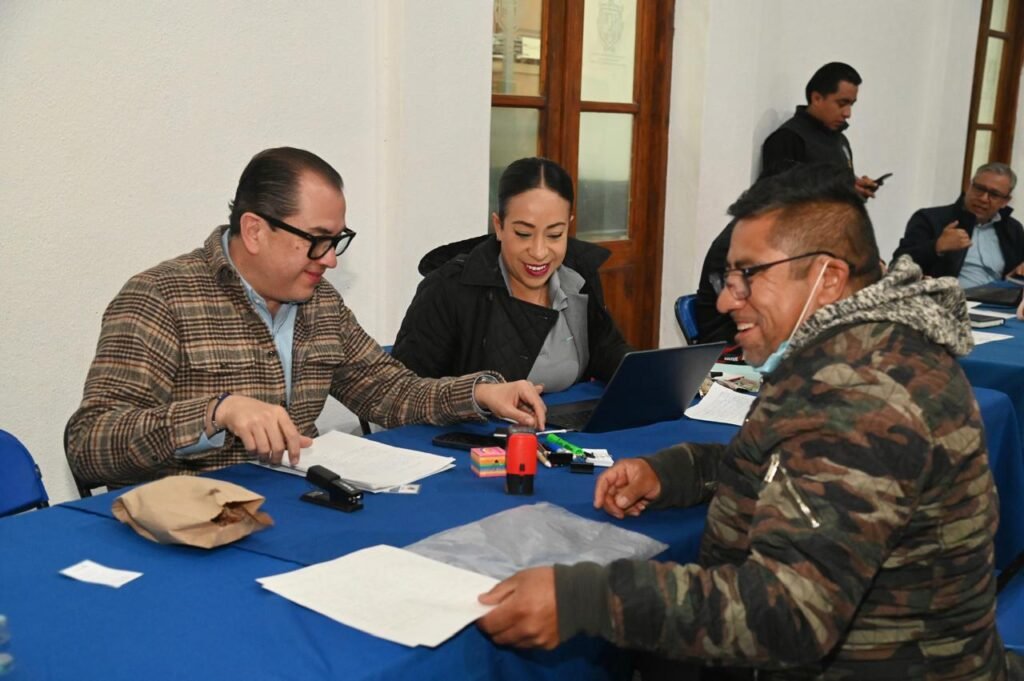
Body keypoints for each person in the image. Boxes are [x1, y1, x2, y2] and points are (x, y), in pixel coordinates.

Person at [477, 163, 1017, 679]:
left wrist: (587, 598)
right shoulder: (851, 352)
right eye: (727, 274)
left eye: (748, 275)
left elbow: (789, 613)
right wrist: (680, 471)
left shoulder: (862, 392)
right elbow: (790, 465)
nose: (726, 297)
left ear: (826, 278)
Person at [66, 147, 546, 488]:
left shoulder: (321, 303)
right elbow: (90, 445)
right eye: (316, 239)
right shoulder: (161, 298)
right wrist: (216, 412)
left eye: (336, 240)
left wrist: (481, 391)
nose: (330, 258)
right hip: (194, 532)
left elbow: (389, 392)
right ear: (254, 230)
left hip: (300, 506)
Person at [391, 157, 631, 391]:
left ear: (569, 225)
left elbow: (606, 349)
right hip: (475, 430)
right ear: (499, 226)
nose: (539, 252)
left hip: (560, 427)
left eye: (555, 235)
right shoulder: (449, 289)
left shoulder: (577, 274)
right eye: (523, 234)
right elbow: (404, 394)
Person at [893, 162, 1024, 286]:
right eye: (979, 189)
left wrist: (1017, 274)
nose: (983, 198)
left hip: (999, 306)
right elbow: (897, 265)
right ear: (968, 186)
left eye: (994, 194)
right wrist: (936, 247)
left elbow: (1016, 274)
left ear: (1005, 201)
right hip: (945, 302)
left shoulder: (1013, 230)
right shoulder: (929, 218)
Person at [760, 61, 878, 199]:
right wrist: (842, 188)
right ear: (816, 98)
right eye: (841, 104)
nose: (848, 113)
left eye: (851, 104)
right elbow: (777, 200)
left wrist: (857, 186)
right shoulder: (788, 138)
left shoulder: (840, 140)